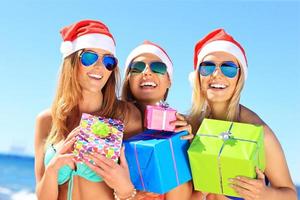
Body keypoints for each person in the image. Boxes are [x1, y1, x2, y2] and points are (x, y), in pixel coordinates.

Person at [34, 19, 142, 200]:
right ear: (71, 62)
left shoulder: (127, 116)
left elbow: (143, 193)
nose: (99, 67)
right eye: (89, 57)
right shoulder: (47, 120)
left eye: (108, 61)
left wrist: (124, 188)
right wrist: (52, 169)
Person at [188, 29, 297, 200]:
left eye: (229, 68)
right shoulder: (190, 126)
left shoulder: (259, 133)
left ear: (239, 78)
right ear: (198, 77)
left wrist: (265, 194)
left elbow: (290, 194)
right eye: (208, 67)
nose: (216, 74)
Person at [121, 41, 193, 200]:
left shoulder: (183, 127)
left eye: (158, 67)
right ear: (128, 80)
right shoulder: (114, 123)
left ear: (169, 81)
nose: (146, 72)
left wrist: (188, 148)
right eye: (137, 68)